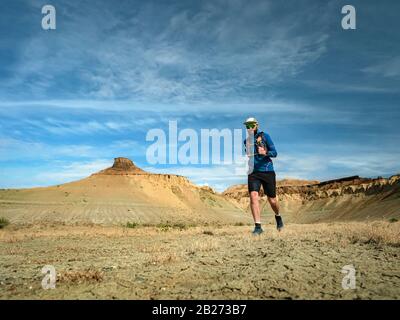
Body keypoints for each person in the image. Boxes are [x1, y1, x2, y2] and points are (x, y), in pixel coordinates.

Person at [243, 117, 284, 235]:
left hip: (267, 171)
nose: (249, 128)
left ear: (256, 125)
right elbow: (249, 155)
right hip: (253, 172)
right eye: (247, 126)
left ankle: (278, 216)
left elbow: (274, 153)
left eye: (251, 125)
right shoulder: (246, 141)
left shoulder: (265, 136)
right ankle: (258, 227)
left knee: (272, 200)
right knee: (253, 196)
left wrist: (265, 153)